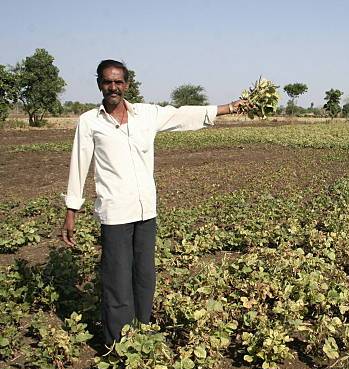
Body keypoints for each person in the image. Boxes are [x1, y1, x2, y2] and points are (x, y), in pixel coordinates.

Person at [61, 59, 246, 347]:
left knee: (144, 276)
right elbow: (79, 164)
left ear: (127, 84)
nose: (113, 87)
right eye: (108, 82)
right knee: (117, 279)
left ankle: (142, 330)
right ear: (99, 84)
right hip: (115, 212)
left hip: (146, 209)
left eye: (118, 82)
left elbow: (184, 115)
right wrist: (71, 211)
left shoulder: (146, 114)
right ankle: (117, 344)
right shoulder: (89, 122)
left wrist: (230, 107)